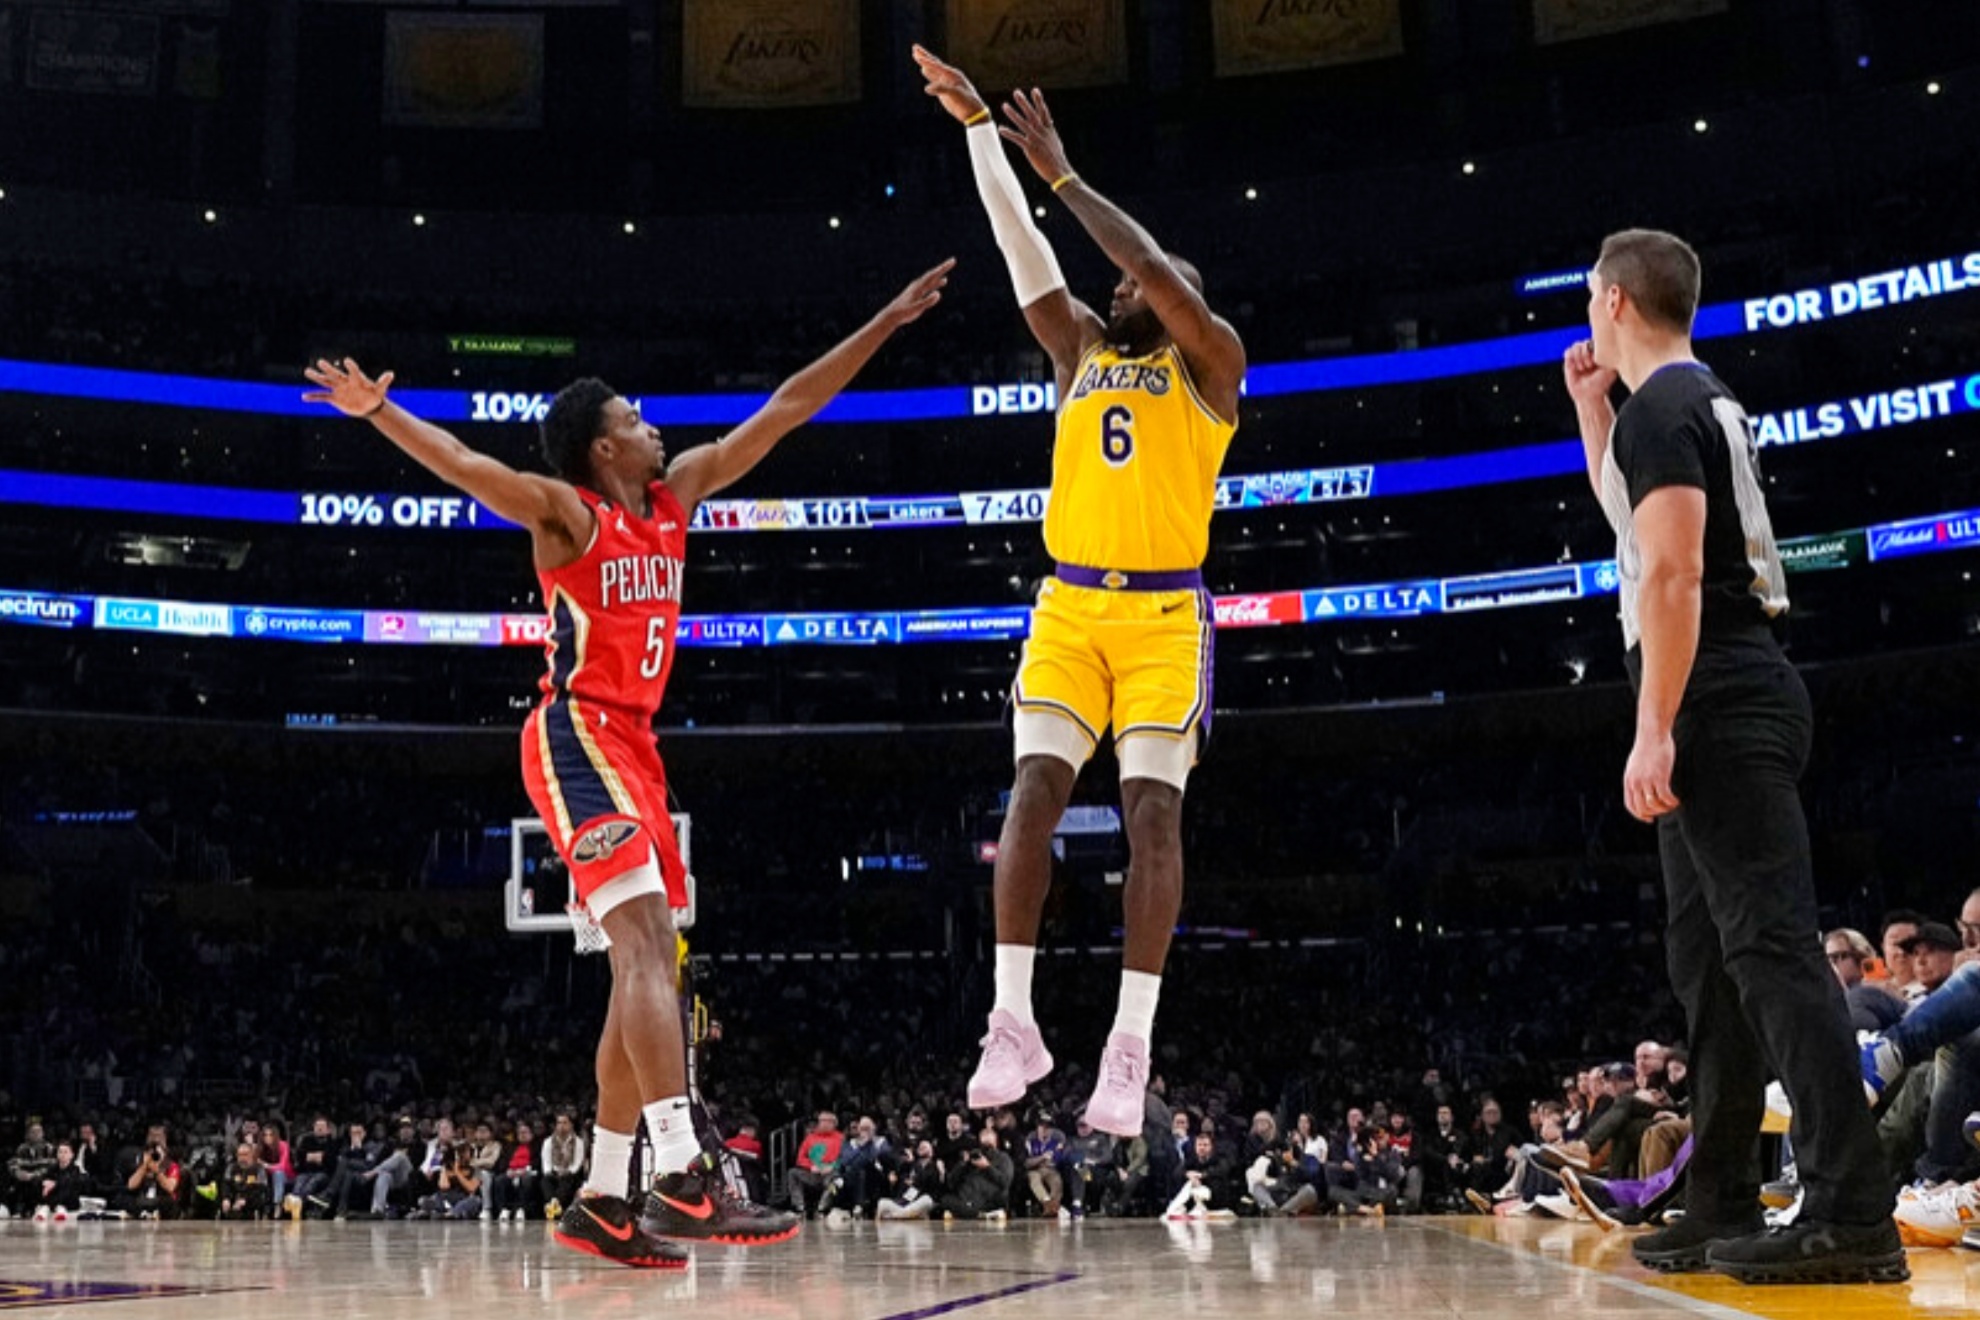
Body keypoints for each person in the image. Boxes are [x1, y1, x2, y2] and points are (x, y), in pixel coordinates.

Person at [305, 258, 949, 1266]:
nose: (658, 427)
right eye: (640, 419)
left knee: (643, 967)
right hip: (576, 736)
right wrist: (380, 414)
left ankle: (605, 1196)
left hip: (637, 752)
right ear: (606, 445)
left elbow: (785, 409)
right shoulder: (567, 513)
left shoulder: (677, 492)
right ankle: (685, 1172)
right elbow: (469, 465)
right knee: (648, 948)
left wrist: (885, 323)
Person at [914, 45, 1246, 1140]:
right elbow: (1021, 254)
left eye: (1142, 283)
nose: (1117, 288)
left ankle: (1128, 1042)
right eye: (1111, 285)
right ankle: (1013, 1021)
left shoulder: (1211, 362)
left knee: (1153, 811)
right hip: (1066, 607)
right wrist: (978, 134)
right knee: (1032, 797)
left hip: (1162, 617)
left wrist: (1061, 170)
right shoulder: (1079, 351)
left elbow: (1144, 258)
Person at [1563, 228, 1904, 1285]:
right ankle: (1718, 1197)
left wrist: (1654, 723)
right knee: (1709, 964)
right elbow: (1640, 533)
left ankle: (1852, 1212)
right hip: (1723, 682)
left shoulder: (1667, 408)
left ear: (1615, 300)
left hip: (1715, 688)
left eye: (1588, 299)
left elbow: (1671, 577)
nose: (1586, 315)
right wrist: (1591, 416)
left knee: (1771, 952)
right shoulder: (1680, 404)